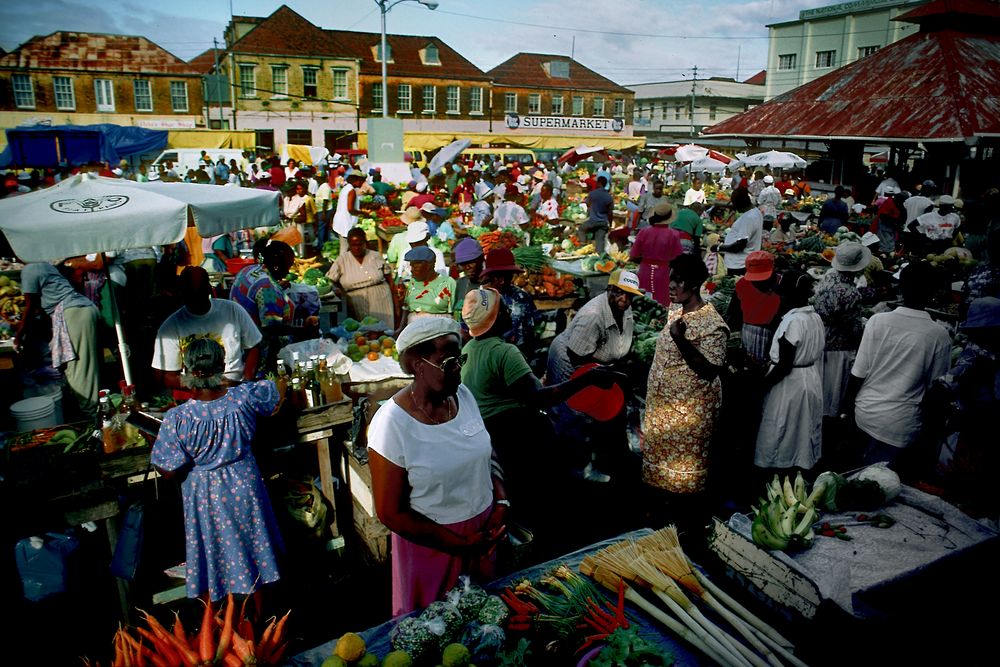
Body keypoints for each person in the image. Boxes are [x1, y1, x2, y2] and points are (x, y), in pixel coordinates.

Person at [368, 318, 507, 615]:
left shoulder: (464, 397)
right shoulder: (391, 424)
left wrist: (501, 499)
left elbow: (486, 449)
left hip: (481, 538)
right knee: (436, 629)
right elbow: (390, 512)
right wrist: (460, 545)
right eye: (449, 362)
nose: (459, 369)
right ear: (418, 366)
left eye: (461, 359)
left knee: (482, 625)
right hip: (433, 547)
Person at [460, 289, 619, 529]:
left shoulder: (469, 350)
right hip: (516, 436)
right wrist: (588, 379)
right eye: (502, 309)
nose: (508, 312)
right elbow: (540, 398)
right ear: (494, 317)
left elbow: (506, 389)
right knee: (541, 501)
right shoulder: (504, 351)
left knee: (518, 498)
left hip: (490, 437)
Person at [151, 338, 284, 602]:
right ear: (223, 364)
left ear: (186, 370)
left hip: (206, 495)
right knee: (252, 553)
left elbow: (167, 469)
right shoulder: (244, 397)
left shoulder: (179, 418)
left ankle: (229, 624)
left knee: (218, 556)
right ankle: (260, 622)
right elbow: (272, 393)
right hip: (245, 485)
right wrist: (232, 383)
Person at [842, 262, 951, 474]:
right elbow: (934, 392)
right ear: (933, 293)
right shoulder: (939, 336)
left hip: (865, 413)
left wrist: (845, 413)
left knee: (855, 479)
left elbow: (857, 374)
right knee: (881, 486)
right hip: (901, 425)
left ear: (900, 288)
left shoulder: (877, 321)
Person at [643, 254, 729, 500]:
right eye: (671, 279)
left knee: (683, 479)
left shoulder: (713, 324)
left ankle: (683, 527)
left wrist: (680, 339)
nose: (671, 286)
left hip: (687, 414)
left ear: (693, 285)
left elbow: (709, 370)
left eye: (678, 281)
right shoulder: (675, 309)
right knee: (659, 476)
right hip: (663, 409)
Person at [546, 270, 640, 482]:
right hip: (571, 360)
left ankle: (593, 456)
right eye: (619, 292)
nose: (624, 299)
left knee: (593, 412)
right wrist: (600, 376)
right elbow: (577, 356)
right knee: (573, 412)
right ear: (609, 290)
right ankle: (577, 468)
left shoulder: (625, 308)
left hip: (597, 362)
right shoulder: (593, 316)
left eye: (629, 295)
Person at [755, 271, 826, 472]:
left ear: (791, 295)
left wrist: (762, 386)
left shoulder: (793, 321)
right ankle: (799, 465)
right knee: (802, 428)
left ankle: (779, 468)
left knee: (781, 426)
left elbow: (784, 365)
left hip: (791, 382)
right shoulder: (815, 317)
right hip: (809, 378)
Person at [152, 266, 262, 390]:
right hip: (195, 393)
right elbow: (167, 376)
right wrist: (203, 386)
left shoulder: (232, 310)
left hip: (235, 386)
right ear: (181, 293)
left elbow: (254, 346)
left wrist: (246, 382)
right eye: (191, 294)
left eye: (200, 293)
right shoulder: (169, 328)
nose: (196, 299)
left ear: (209, 290)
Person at [16, 260, 101, 418]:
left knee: (80, 370)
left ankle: (92, 420)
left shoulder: (30, 269)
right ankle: (88, 413)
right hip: (81, 309)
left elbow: (31, 305)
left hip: (74, 313)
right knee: (81, 367)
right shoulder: (43, 265)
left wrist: (19, 336)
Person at [230, 241, 318, 371]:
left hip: (237, 334)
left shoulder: (250, 270)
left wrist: (276, 287)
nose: (288, 271)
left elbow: (257, 293)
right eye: (287, 266)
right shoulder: (267, 287)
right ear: (277, 266)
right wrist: (302, 328)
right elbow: (272, 327)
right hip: (253, 347)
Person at [813, 242, 870, 417]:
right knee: (833, 387)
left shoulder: (828, 278)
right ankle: (830, 418)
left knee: (821, 384)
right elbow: (853, 327)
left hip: (821, 338)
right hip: (839, 347)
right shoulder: (851, 293)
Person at [327, 227, 397, 329]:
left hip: (381, 299)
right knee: (363, 334)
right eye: (353, 245)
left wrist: (396, 304)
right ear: (349, 245)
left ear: (365, 243)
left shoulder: (375, 256)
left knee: (385, 332)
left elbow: (389, 279)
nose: (357, 248)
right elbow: (331, 280)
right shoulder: (342, 260)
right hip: (356, 301)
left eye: (360, 244)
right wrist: (342, 293)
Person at [726, 251, 782, 366]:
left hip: (777, 334)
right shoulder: (742, 284)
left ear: (773, 268)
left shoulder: (782, 284)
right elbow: (734, 313)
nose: (758, 282)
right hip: (748, 333)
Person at [478, 248, 538, 349]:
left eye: (507, 276)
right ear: (489, 275)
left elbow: (531, 329)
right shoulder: (478, 299)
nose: (502, 281)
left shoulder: (522, 297)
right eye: (497, 277)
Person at [629, 201, 683, 306]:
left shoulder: (644, 232)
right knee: (661, 304)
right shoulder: (673, 234)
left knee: (642, 303)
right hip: (663, 272)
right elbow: (678, 259)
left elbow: (633, 255)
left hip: (644, 270)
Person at [395, 246, 457, 336]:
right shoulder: (412, 283)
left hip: (439, 332)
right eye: (411, 266)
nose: (411, 271)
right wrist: (401, 328)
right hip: (413, 331)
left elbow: (455, 313)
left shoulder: (448, 283)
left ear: (428, 265)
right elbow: (406, 308)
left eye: (415, 267)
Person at [718, 188, 763, 276]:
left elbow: (740, 245)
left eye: (735, 204)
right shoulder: (756, 212)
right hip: (742, 262)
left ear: (740, 203)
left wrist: (720, 248)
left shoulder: (749, 218)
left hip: (739, 265)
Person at [579, 175, 614, 254]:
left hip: (593, 221)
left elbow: (587, 204)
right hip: (603, 223)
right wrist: (610, 225)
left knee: (581, 229)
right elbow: (610, 213)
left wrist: (591, 209)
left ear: (598, 183)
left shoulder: (592, 194)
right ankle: (600, 256)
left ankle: (583, 247)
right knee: (600, 241)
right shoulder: (609, 197)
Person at [452, 238, 485, 321]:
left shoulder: (492, 284)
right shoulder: (459, 284)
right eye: (463, 264)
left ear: (481, 259)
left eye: (471, 262)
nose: (467, 267)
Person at [332, 169, 367, 241]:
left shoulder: (346, 188)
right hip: (345, 223)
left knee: (344, 247)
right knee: (345, 248)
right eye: (362, 181)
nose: (362, 184)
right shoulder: (351, 191)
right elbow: (350, 209)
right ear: (357, 180)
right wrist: (362, 213)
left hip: (340, 222)